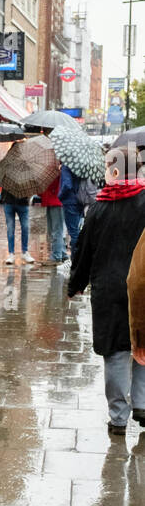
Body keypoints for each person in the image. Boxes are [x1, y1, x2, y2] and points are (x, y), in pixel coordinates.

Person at [69, 148, 145, 434]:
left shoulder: (99, 208)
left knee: (115, 350)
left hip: (110, 290)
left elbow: (83, 251)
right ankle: (142, 402)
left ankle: (118, 416)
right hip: (144, 287)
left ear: (113, 171)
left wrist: (75, 284)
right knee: (143, 342)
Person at [0, 187, 34, 265]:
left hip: (22, 202)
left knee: (25, 227)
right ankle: (11, 253)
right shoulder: (6, 176)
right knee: (10, 228)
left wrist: (28, 196)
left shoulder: (25, 175)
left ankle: (25, 252)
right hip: (8, 201)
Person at [41, 172, 67, 264]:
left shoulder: (56, 171)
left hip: (56, 201)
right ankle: (62, 253)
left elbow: (51, 185)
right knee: (54, 230)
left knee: (56, 230)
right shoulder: (53, 170)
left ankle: (56, 256)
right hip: (51, 201)